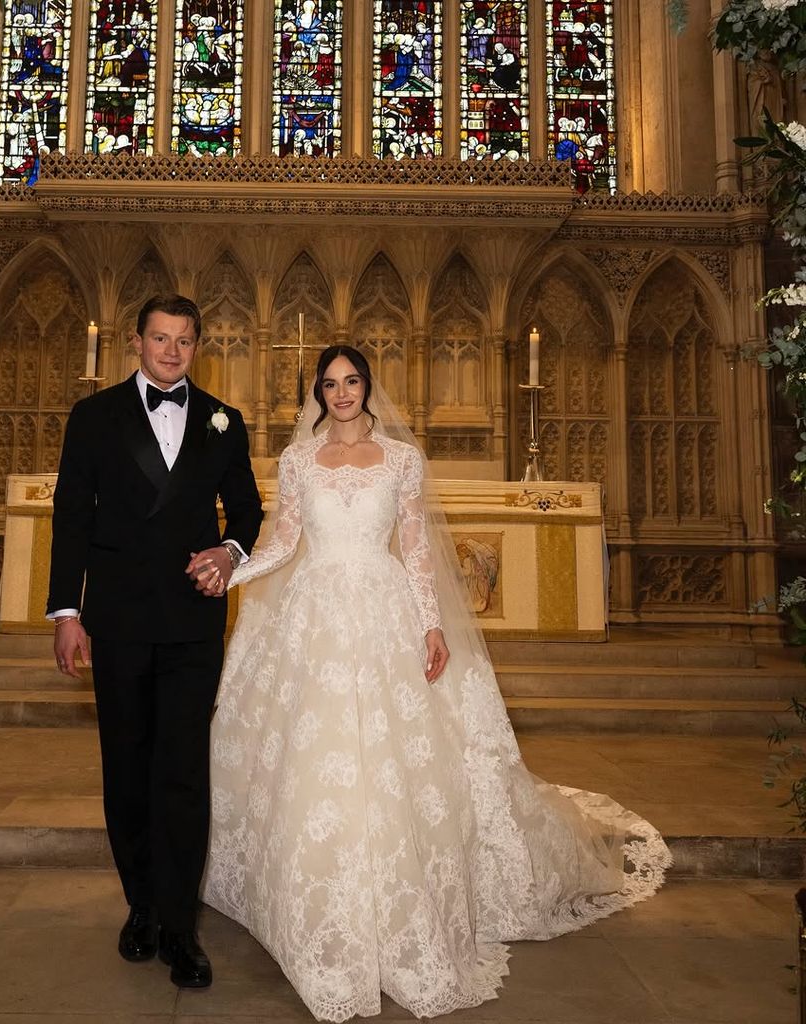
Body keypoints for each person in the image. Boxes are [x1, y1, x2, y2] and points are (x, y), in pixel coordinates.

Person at [202, 345, 670, 1021]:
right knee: (317, 754)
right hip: (315, 612)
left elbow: (418, 549)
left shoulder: (401, 459)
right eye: (330, 384)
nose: (341, 393)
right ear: (318, 392)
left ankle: (396, 905)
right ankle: (317, 906)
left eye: (352, 381)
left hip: (384, 609)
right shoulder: (298, 459)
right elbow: (282, 543)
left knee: (395, 757)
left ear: (368, 386)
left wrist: (431, 626)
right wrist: (230, 572)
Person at [48, 294, 264, 990]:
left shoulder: (223, 422)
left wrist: (229, 552)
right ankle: (139, 903)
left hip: (192, 624)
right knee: (127, 769)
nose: (172, 351)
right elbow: (71, 517)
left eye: (185, 341)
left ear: (199, 346)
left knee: (182, 774)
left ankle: (179, 925)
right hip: (117, 619)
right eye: (160, 338)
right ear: (136, 341)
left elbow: (251, 510)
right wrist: (65, 613)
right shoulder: (94, 417)